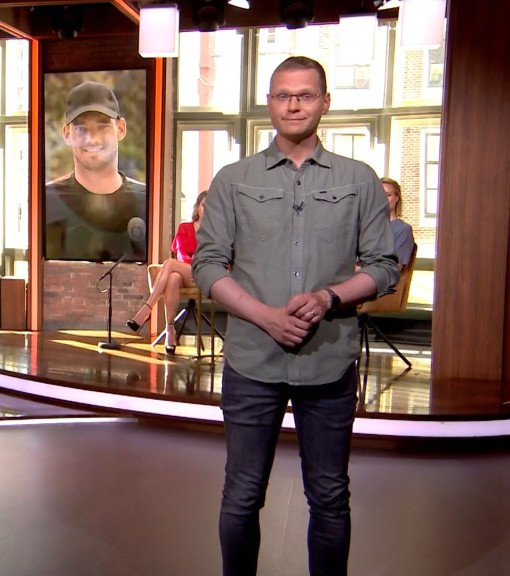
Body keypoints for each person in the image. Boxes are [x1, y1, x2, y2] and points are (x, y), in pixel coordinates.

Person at [191, 57, 399, 576]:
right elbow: (207, 264)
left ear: (325, 102)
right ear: (269, 103)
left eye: (305, 95)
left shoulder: (359, 180)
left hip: (329, 362)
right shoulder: (233, 179)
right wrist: (264, 316)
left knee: (329, 496)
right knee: (242, 494)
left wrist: (328, 298)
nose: (294, 105)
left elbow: (383, 267)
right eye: (283, 95)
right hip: (251, 361)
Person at [45, 81, 147, 261]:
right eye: (81, 128)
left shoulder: (147, 202)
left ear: (121, 128)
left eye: (102, 126)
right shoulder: (46, 201)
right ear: (66, 133)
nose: (92, 139)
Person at [126, 191, 208, 354]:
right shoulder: (185, 227)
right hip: (185, 272)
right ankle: (170, 329)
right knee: (173, 278)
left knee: (170, 263)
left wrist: (195, 260)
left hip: (203, 273)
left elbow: (210, 258)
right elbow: (182, 254)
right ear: (198, 207)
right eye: (204, 205)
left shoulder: (215, 231)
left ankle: (148, 308)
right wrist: (193, 259)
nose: (207, 209)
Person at [381, 177, 415, 271]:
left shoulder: (403, 230)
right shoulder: (365, 226)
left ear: (396, 198)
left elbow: (394, 268)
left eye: (388, 195)